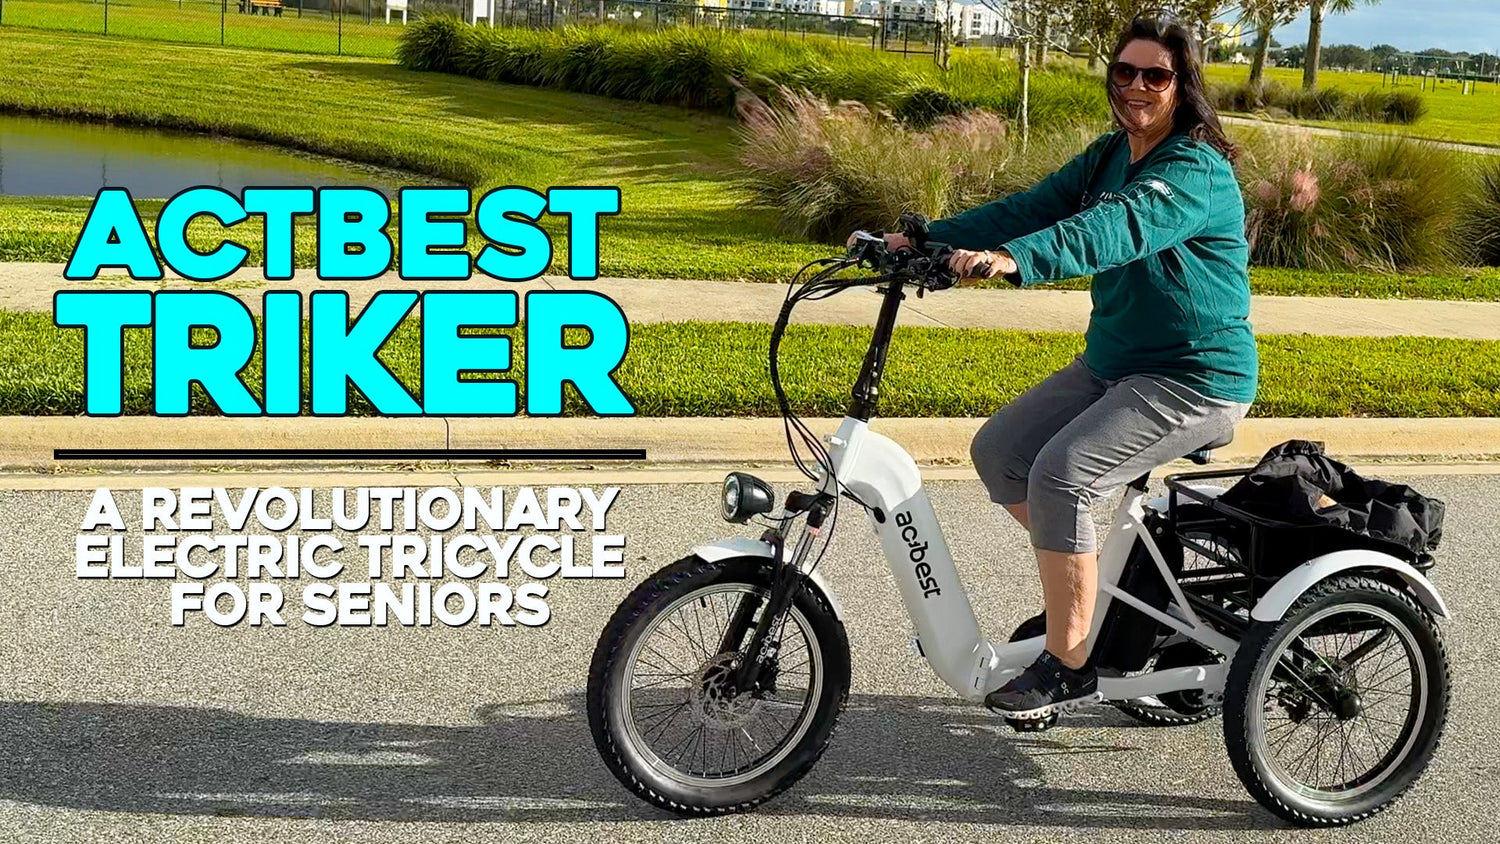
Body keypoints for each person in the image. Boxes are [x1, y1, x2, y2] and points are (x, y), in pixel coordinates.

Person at [852, 17, 1258, 718]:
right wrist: (920, 239)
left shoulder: (1194, 170)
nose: (1136, 86)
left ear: (1181, 87)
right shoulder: (1108, 156)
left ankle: (1072, 661)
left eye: (1155, 75)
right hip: (1116, 363)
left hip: (1195, 378)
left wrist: (1017, 261)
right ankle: (1097, 586)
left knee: (1062, 473)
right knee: (1001, 453)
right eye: (1124, 72)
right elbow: (1030, 208)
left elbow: (1113, 229)